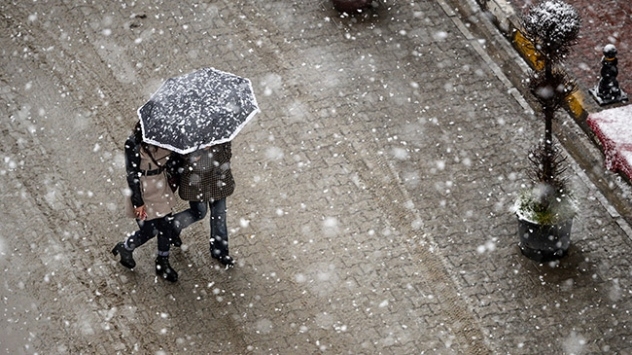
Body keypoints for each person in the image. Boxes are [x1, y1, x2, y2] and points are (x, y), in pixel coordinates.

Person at [111, 121, 179, 282]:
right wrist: (138, 202)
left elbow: (174, 161)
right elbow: (132, 175)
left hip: (161, 186)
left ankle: (162, 262)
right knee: (149, 230)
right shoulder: (133, 144)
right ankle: (125, 247)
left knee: (165, 226)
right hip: (143, 190)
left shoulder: (168, 138)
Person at [171, 142, 236, 267]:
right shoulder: (189, 132)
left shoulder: (218, 128)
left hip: (218, 179)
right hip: (197, 182)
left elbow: (227, 145)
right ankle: (172, 226)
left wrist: (225, 157)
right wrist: (200, 152)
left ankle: (221, 251)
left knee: (219, 216)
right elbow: (183, 156)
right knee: (199, 212)